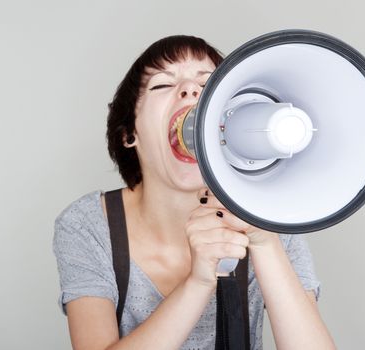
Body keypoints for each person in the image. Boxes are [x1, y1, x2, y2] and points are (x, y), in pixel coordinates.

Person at [53, 35, 336, 350]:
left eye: (209, 85)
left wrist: (265, 242)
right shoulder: (88, 224)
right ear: (128, 134)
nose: (191, 91)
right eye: (162, 85)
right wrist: (198, 283)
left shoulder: (266, 210)